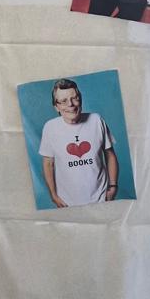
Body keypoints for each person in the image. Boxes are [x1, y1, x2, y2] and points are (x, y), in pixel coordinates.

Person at [39, 79, 119, 207]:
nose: (70, 104)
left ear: (80, 99)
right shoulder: (50, 128)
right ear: (56, 106)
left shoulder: (96, 120)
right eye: (63, 101)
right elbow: (48, 163)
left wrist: (113, 186)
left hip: (101, 199)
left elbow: (110, 155)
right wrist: (53, 195)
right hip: (67, 203)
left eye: (74, 98)